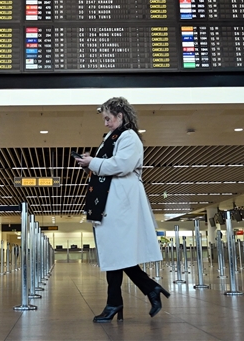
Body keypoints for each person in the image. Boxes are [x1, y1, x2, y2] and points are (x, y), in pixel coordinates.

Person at [75, 97, 169, 323]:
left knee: (117, 255)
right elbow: (110, 164)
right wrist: (92, 161)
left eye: (108, 118)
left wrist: (92, 163)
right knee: (115, 255)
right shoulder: (112, 137)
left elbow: (122, 165)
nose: (106, 123)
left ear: (121, 116)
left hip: (121, 202)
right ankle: (141, 292)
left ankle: (118, 302)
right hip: (112, 202)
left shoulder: (129, 137)